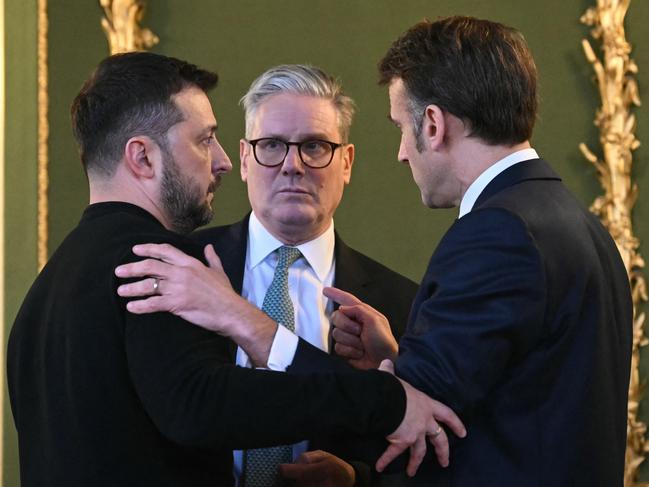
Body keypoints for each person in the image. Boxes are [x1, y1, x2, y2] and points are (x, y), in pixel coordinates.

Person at [6, 51, 465, 487]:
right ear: (143, 157)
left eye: (314, 147)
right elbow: (201, 404)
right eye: (205, 139)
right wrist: (383, 399)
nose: (221, 160)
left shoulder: (42, 292)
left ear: (346, 162)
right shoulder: (167, 264)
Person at [327, 15, 632, 486]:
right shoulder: (577, 221)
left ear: (432, 124)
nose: (401, 154)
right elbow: (516, 393)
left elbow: (408, 429)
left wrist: (255, 330)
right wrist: (398, 357)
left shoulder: (498, 232)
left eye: (399, 129)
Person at [189, 64, 418, 486]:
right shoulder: (187, 268)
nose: (292, 165)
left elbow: (429, 460)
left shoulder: (401, 305)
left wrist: (356, 480)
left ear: (346, 163)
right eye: (272, 145)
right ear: (243, 159)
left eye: (314, 146)